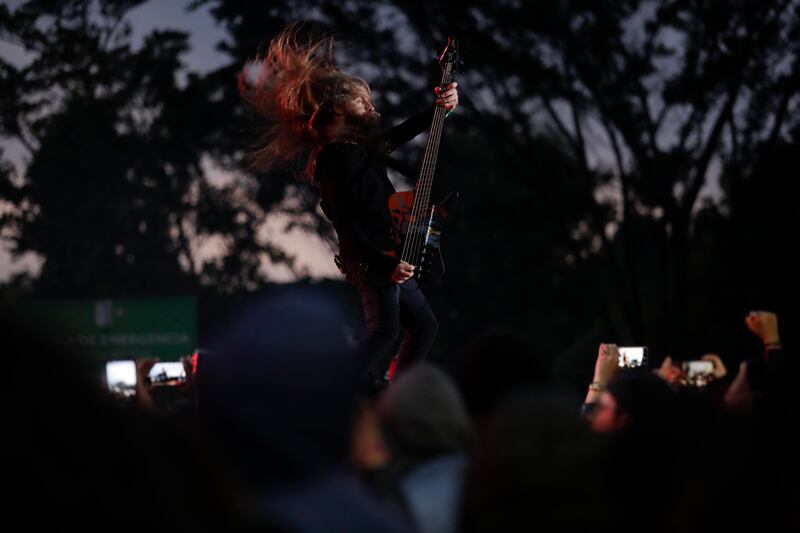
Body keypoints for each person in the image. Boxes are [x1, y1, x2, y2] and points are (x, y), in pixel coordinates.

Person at [239, 25, 459, 391]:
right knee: (386, 331)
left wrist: (438, 109)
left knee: (423, 327)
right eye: (362, 102)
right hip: (372, 259)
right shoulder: (335, 159)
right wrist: (385, 264)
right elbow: (345, 221)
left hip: (389, 255)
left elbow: (394, 136)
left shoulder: (358, 149)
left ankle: (396, 399)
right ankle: (338, 393)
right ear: (337, 109)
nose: (372, 109)